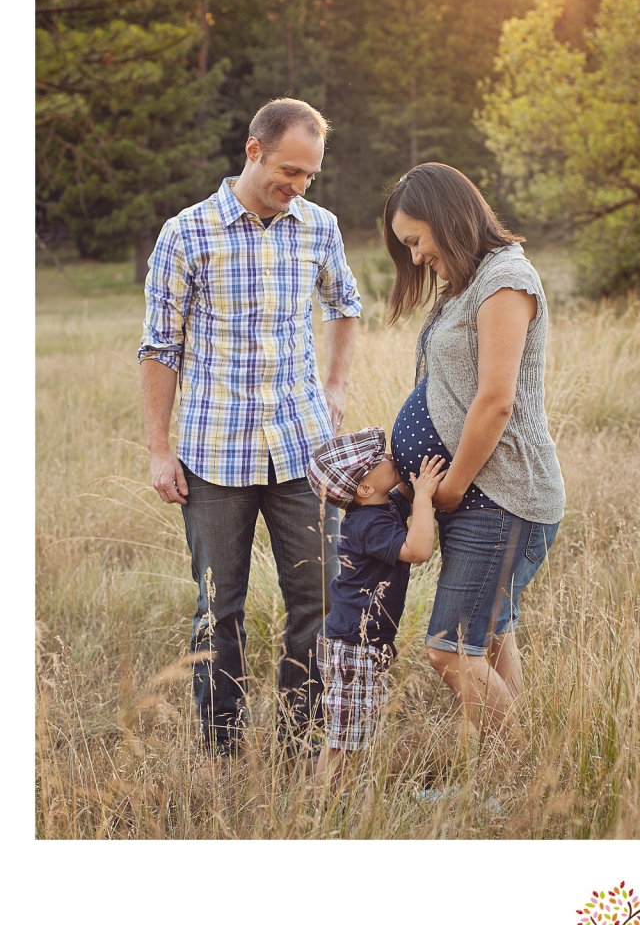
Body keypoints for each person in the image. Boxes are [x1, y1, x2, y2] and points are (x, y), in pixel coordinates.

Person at [137, 98, 361, 755]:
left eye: (310, 177)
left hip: (301, 452)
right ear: (253, 150)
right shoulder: (186, 234)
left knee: (318, 606)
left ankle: (303, 745)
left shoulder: (318, 227)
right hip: (214, 456)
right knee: (218, 612)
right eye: (289, 170)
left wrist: (337, 384)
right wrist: (159, 450)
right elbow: (159, 348)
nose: (298, 187)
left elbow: (345, 304)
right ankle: (222, 751)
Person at [383, 162, 565, 736]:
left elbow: (495, 402)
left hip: (499, 495)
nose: (414, 257)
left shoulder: (505, 279)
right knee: (489, 639)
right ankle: (509, 786)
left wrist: (452, 488)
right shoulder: (471, 281)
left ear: (446, 218)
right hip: (480, 500)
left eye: (416, 240)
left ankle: (526, 774)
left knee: (451, 651)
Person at [306, 428, 445, 786]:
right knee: (343, 740)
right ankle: (324, 805)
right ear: (365, 489)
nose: (389, 458)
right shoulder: (367, 524)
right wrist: (426, 497)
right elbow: (417, 551)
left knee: (354, 732)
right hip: (353, 644)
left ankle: (341, 797)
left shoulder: (380, 506)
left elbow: (402, 493)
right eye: (379, 460)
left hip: (361, 642)